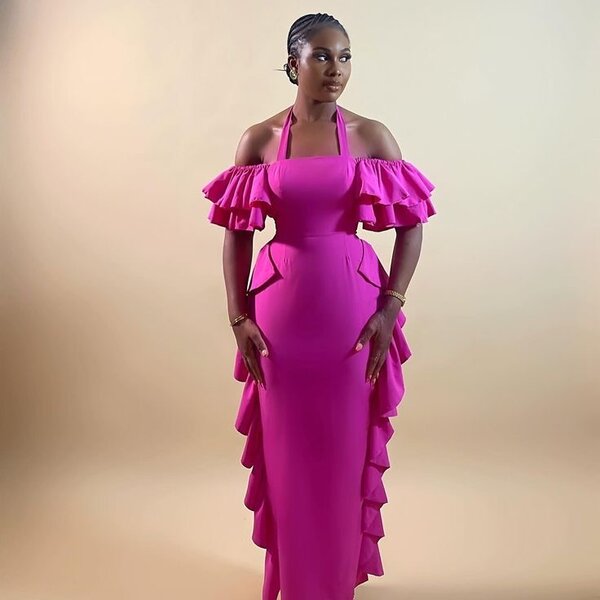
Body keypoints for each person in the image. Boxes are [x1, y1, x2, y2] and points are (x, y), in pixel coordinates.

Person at [202, 12, 437, 600]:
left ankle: (333, 583)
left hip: (352, 315)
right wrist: (238, 316)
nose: (336, 69)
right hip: (279, 318)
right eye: (323, 56)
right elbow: (236, 235)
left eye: (345, 57)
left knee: (342, 450)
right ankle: (296, 579)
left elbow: (412, 224)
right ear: (294, 64)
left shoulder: (371, 135)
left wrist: (390, 309)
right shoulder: (259, 139)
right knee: (286, 454)